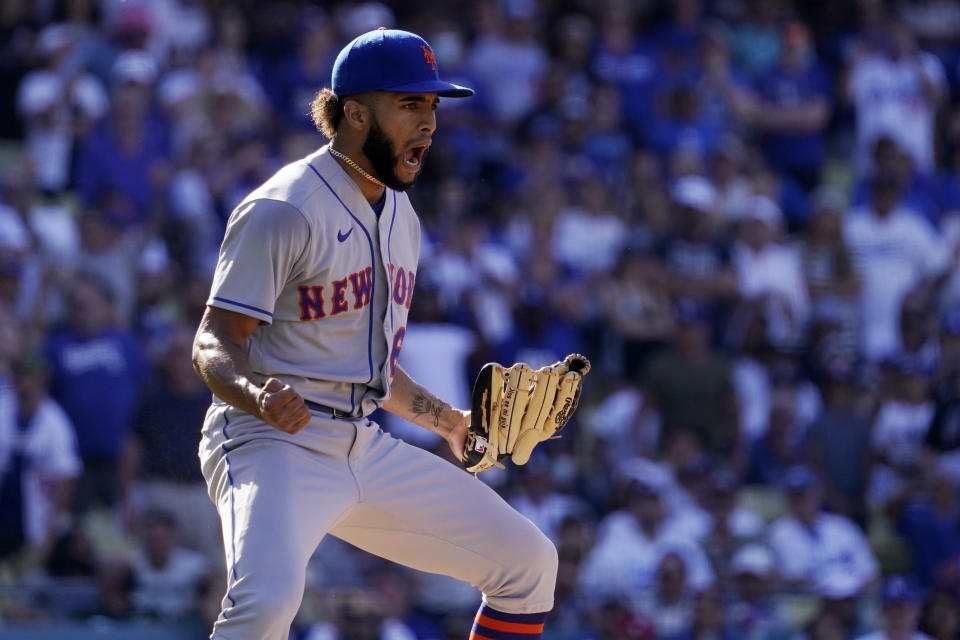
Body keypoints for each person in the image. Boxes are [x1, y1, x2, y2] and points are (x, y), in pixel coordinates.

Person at [191, 29, 558, 640]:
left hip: (360, 441)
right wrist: (256, 395)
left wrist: (448, 421)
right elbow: (212, 342)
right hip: (271, 441)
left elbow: (374, 369)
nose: (430, 122)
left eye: (433, 106)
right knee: (266, 608)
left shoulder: (401, 216)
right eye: (410, 104)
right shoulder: (285, 207)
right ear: (354, 113)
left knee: (529, 564)